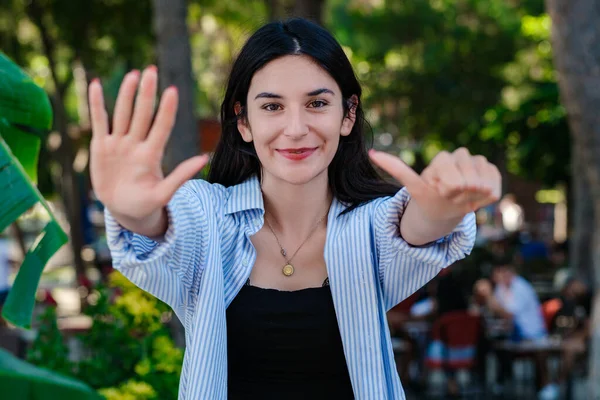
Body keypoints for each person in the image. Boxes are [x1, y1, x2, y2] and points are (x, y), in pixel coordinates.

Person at [89, 18, 501, 400]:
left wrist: (447, 207)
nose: (296, 128)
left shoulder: (368, 226)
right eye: (272, 106)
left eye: (317, 103)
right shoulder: (209, 216)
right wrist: (131, 211)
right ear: (244, 122)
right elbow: (161, 224)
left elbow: (417, 225)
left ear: (348, 114)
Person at [474, 256, 557, 399]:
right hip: (511, 333)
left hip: (530, 334)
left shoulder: (520, 287)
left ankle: (500, 384)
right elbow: (495, 312)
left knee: (493, 345)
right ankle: (493, 383)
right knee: (484, 343)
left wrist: (489, 296)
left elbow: (507, 314)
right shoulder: (502, 287)